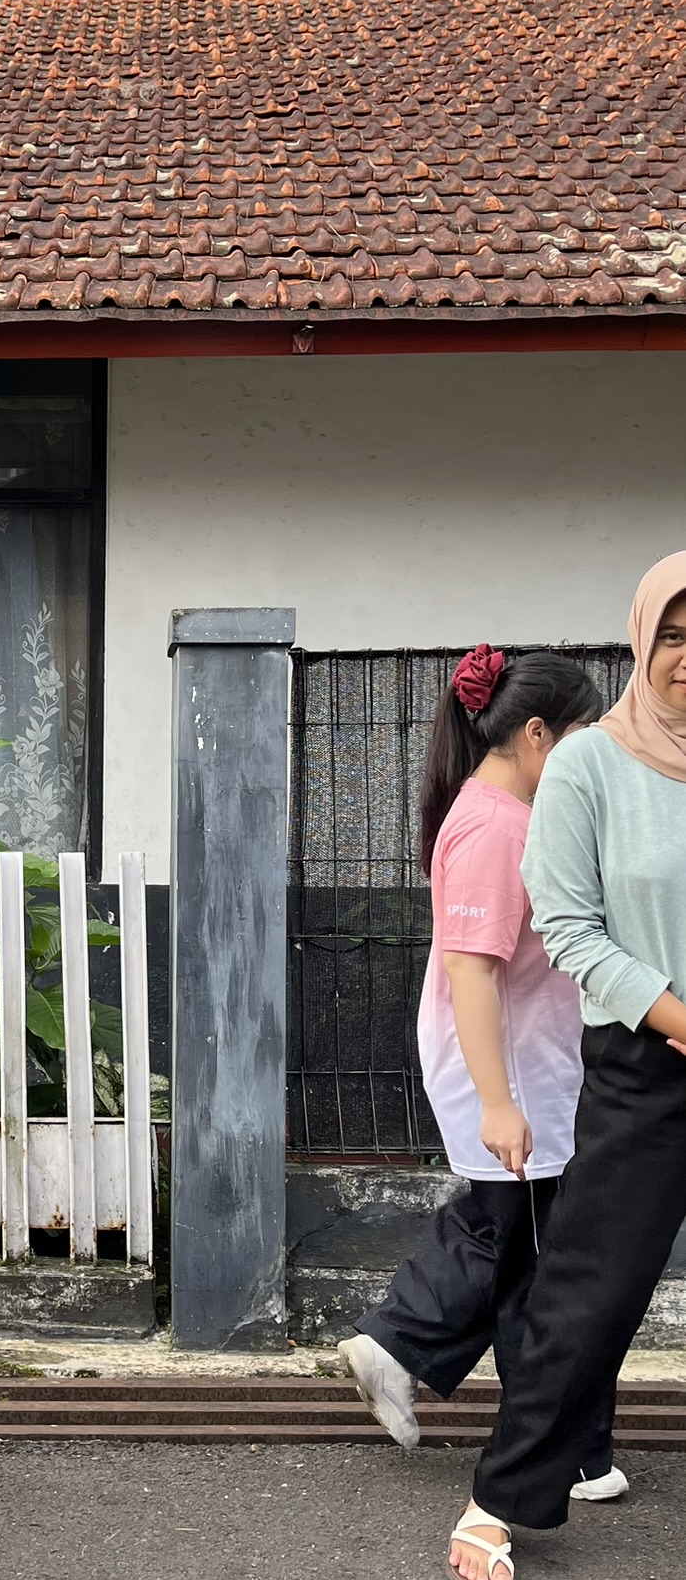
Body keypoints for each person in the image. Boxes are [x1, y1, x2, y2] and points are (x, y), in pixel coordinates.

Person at [449, 554, 686, 1580]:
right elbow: (568, 925)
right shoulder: (592, 764)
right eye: (673, 633)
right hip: (646, 1062)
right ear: (642, 641)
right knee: (591, 1291)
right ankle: (498, 1499)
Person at [340, 646, 625, 1509]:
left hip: (529, 1068)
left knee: (522, 1251)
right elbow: (471, 971)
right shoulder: (495, 827)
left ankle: (407, 1348)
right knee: (542, 1265)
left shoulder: (500, 813)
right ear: (537, 734)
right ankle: (562, 1446)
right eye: (583, 735)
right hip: (515, 1075)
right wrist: (499, 1104)